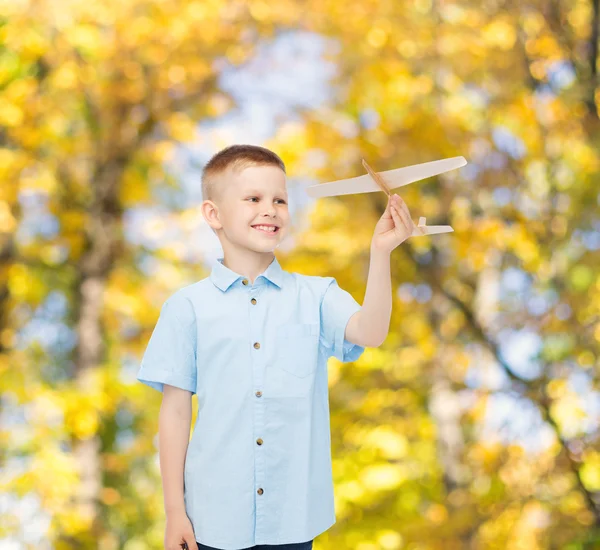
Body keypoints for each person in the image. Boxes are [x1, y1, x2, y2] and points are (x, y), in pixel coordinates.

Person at [137, 144, 416, 550]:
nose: (270, 209)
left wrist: (381, 253)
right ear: (213, 214)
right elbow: (175, 415)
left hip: (292, 521)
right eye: (253, 199)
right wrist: (174, 511)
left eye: (280, 200)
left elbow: (370, 332)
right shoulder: (186, 307)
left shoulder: (317, 295)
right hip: (211, 521)